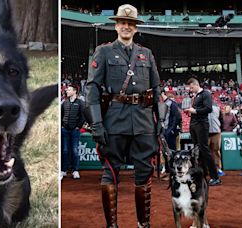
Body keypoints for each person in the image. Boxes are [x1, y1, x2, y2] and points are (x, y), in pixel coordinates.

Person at [85, 4, 162, 227]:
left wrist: (161, 121)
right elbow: (92, 90)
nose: (126, 26)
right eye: (123, 22)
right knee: (110, 172)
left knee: (144, 174)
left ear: (136, 28)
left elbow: (156, 90)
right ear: (116, 25)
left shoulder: (146, 54)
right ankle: (112, 225)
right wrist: (96, 124)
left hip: (143, 122)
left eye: (131, 23)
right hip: (114, 121)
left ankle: (143, 224)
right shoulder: (104, 52)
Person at [184, 78, 222, 186]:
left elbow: (208, 108)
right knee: (197, 150)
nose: (190, 90)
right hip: (194, 124)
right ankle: (202, 174)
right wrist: (191, 112)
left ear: (196, 84)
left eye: (191, 87)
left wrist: (194, 111)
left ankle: (215, 177)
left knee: (204, 150)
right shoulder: (196, 96)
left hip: (201, 124)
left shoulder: (206, 94)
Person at [61, 85, 85, 180]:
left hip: (75, 130)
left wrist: (78, 126)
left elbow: (83, 116)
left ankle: (75, 170)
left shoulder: (80, 103)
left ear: (74, 91)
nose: (67, 90)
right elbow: (61, 114)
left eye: (69, 89)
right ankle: (63, 170)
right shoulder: (65, 102)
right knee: (65, 150)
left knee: (75, 151)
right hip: (65, 129)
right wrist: (62, 125)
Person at [208, 102, 224, 177]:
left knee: (216, 151)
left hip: (216, 132)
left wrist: (220, 128)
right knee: (204, 152)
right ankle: (205, 169)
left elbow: (221, 119)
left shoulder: (217, 107)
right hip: (205, 133)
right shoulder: (201, 106)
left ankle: (218, 168)